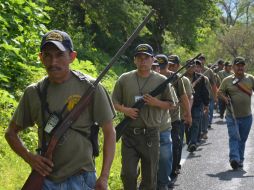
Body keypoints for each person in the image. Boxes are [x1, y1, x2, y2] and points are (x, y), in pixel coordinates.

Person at [5, 30, 116, 190]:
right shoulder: (34, 92)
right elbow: (11, 133)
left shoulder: (90, 88)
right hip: (46, 181)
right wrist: (30, 158)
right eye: (48, 55)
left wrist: (104, 177)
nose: (53, 62)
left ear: (72, 57)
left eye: (59, 55)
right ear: (40, 57)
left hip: (82, 178)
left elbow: (109, 131)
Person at [112, 44, 175, 190]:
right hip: (129, 134)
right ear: (134, 60)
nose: (143, 61)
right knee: (128, 175)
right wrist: (125, 110)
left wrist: (155, 102)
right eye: (139, 58)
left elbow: (171, 105)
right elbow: (113, 102)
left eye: (146, 57)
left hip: (151, 135)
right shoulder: (124, 79)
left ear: (153, 59)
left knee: (150, 178)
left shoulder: (161, 80)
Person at [218, 56, 254, 170]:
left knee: (242, 139)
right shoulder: (227, 80)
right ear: (233, 67)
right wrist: (225, 99)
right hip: (232, 115)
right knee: (234, 137)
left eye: (242, 65)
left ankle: (240, 159)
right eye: (238, 65)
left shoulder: (250, 78)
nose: (240, 67)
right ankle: (234, 158)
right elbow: (219, 92)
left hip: (247, 116)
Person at [168, 54, 193, 172]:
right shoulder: (160, 77)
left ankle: (175, 166)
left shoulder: (183, 80)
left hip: (179, 116)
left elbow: (187, 97)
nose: (171, 67)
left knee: (177, 143)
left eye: (173, 65)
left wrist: (188, 114)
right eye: (169, 64)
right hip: (163, 117)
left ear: (178, 66)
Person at [185, 59, 209, 152]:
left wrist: (206, 104)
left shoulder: (200, 78)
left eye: (192, 66)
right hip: (185, 104)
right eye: (188, 66)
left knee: (195, 122)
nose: (191, 68)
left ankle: (193, 142)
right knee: (186, 123)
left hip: (197, 104)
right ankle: (189, 141)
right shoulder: (181, 78)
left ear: (195, 67)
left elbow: (204, 92)